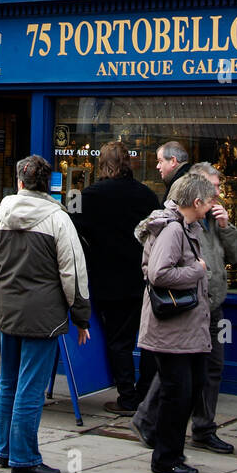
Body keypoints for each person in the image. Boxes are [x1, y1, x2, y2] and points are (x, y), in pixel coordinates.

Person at [0, 154, 91, 473]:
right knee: (30, 387)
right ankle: (24, 458)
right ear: (48, 185)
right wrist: (81, 318)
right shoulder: (58, 220)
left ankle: (6, 451)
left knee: (9, 381)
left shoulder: (2, 214)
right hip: (44, 316)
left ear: (20, 182)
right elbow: (73, 274)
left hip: (8, 313)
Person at [133, 162, 237, 452]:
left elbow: (235, 256)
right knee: (177, 375)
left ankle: (202, 428)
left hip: (211, 304)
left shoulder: (210, 220)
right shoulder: (179, 225)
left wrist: (226, 226)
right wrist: (197, 271)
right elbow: (158, 272)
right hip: (185, 307)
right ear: (196, 191)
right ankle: (152, 425)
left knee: (208, 369)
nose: (217, 194)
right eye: (213, 188)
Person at [135, 171, 213, 473]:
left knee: (189, 392)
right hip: (171, 330)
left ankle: (172, 453)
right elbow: (159, 274)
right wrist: (197, 270)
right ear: (196, 201)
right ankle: (165, 458)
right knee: (176, 394)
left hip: (184, 330)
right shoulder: (173, 231)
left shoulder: (185, 227)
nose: (211, 206)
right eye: (209, 201)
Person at [75, 141, 160, 415]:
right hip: (144, 278)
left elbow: (71, 232)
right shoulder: (146, 195)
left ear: (102, 164)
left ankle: (127, 396)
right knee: (147, 339)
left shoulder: (89, 195)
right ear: (129, 162)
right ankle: (146, 393)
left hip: (107, 279)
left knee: (118, 341)